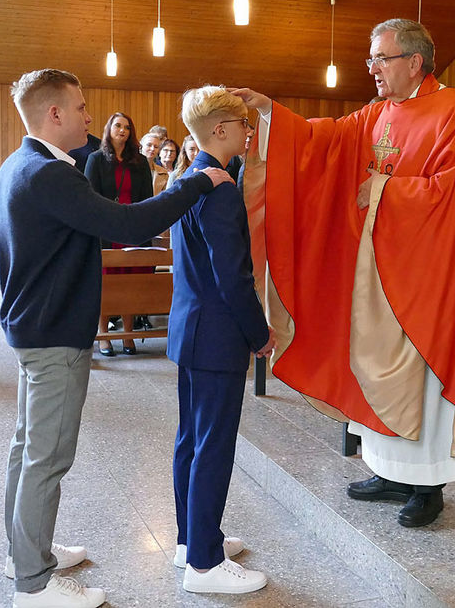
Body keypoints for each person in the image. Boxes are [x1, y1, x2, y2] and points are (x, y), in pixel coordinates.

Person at [232, 18, 455, 528]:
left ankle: (428, 486)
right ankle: (389, 471)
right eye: (370, 59)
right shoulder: (378, 112)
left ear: (414, 62)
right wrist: (268, 111)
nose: (372, 68)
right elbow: (321, 141)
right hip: (374, 267)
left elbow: (454, 193)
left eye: (381, 58)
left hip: (423, 274)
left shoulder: (451, 111)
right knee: (371, 363)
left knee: (416, 372)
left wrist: (386, 192)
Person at [0, 68, 231, 608]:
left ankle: (23, 551)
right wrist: (195, 183)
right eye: (79, 107)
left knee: (26, 449)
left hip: (31, 328)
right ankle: (33, 585)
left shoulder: (19, 165)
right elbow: (126, 226)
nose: (89, 116)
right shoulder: (50, 174)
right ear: (53, 114)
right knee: (46, 457)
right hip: (53, 334)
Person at [169, 85, 274, 594]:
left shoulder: (189, 179)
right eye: (243, 126)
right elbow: (233, 276)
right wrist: (259, 334)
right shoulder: (221, 188)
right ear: (220, 131)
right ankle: (205, 567)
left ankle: (192, 538)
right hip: (217, 337)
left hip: (190, 330)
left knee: (190, 438)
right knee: (213, 444)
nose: (249, 134)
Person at [84, 112, 154, 353]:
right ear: (109, 129)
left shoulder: (140, 161)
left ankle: (128, 334)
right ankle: (104, 334)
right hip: (107, 230)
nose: (122, 130)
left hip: (133, 229)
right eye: (117, 125)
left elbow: (147, 198)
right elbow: (89, 198)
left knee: (130, 282)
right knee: (107, 283)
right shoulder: (96, 159)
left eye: (126, 127)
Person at [141, 131, 170, 195]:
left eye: (156, 147)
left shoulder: (163, 173)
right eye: (149, 145)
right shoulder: (131, 168)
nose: (152, 149)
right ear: (141, 147)